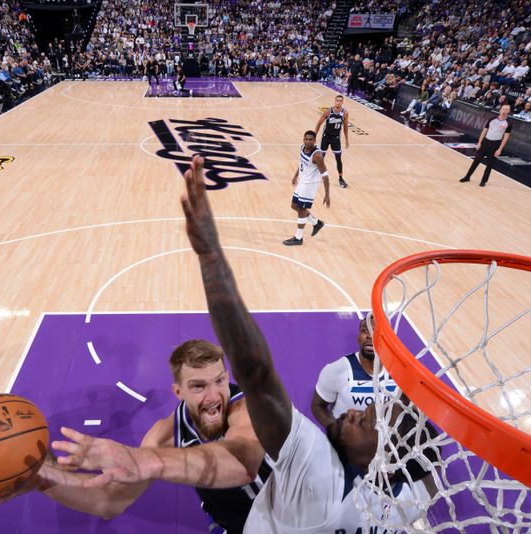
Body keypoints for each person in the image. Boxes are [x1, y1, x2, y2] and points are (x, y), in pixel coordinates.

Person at [178, 155, 439, 531]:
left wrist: (209, 255)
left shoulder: (318, 468)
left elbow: (254, 371)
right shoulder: (411, 499)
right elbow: (428, 467)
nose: (353, 411)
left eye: (364, 421)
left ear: (385, 459)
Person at [49, 339, 271, 532]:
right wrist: (41, 477)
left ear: (227, 376)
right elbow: (109, 502)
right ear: (178, 392)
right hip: (237, 525)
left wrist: (146, 462)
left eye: (219, 381)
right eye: (198, 386)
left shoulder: (250, 406)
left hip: (295, 512)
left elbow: (243, 466)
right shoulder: (164, 435)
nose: (213, 396)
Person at [311, 315, 397, 429]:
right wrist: (336, 432)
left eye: (377, 331)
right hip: (349, 443)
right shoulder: (336, 370)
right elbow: (318, 405)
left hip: (386, 442)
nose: (370, 336)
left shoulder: (400, 372)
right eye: (365, 330)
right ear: (358, 337)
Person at [284, 130, 329, 246]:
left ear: (314, 141)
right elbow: (301, 164)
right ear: (303, 139)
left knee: (301, 209)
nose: (308, 141)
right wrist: (295, 176)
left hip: (310, 184)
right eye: (306, 139)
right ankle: (316, 223)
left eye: (310, 139)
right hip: (302, 182)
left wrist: (327, 194)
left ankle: (298, 238)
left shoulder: (317, 155)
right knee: (294, 206)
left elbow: (325, 174)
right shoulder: (302, 148)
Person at [459, 104, 512, 187]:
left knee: (490, 164)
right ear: (500, 110)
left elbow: (506, 137)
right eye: (503, 109)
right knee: (476, 160)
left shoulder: (509, 123)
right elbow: (484, 131)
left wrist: (500, 149)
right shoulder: (492, 119)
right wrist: (479, 142)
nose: (504, 111)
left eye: (506, 109)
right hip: (485, 142)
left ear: (509, 111)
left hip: (496, 144)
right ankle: (467, 176)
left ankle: (484, 180)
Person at [315, 95, 350, 188]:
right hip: (326, 137)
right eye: (337, 100)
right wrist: (314, 136)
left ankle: (341, 178)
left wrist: (346, 140)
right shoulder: (328, 111)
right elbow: (319, 123)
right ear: (334, 101)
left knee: (338, 159)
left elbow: (345, 127)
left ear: (342, 102)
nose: (338, 102)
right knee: (321, 158)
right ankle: (314, 175)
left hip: (336, 138)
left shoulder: (345, 113)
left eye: (340, 101)